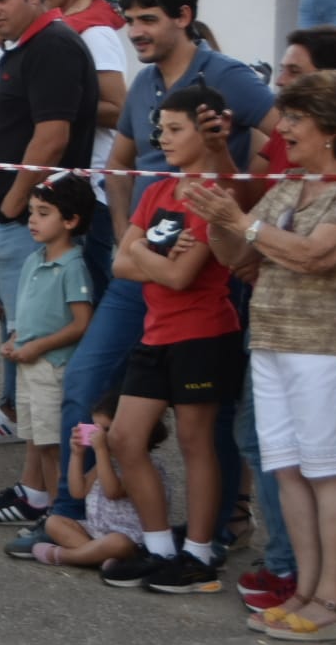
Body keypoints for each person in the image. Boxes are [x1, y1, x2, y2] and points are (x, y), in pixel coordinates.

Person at [15, 0, 278, 561]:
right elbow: (124, 162)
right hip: (147, 244)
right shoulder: (143, 85)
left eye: (148, 19)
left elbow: (284, 144)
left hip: (205, 259)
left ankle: (221, 527)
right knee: (85, 380)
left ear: (183, 17)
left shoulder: (227, 75)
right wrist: (128, 235)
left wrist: (236, 215)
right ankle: (74, 511)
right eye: (129, 20)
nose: (135, 31)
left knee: (207, 417)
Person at [186, 70, 336, 640]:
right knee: (287, 468)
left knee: (325, 471)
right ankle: (305, 591)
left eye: (296, 118)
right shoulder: (295, 182)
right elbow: (236, 254)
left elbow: (312, 257)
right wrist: (218, 217)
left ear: (332, 128)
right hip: (273, 341)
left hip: (329, 348)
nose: (284, 129)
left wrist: (240, 223)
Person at [96, 84, 244, 594]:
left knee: (194, 441)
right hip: (157, 334)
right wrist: (151, 257)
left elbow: (184, 278)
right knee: (123, 437)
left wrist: (143, 256)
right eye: (161, 129)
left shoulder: (213, 194)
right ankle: (159, 548)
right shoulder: (158, 189)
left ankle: (199, 553)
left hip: (203, 333)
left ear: (204, 134)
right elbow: (120, 262)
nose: (163, 138)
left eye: (175, 129)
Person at [0, 0, 99, 446]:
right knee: (19, 330)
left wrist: (13, 205)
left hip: (31, 222)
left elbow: (52, 137)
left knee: (37, 337)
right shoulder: (27, 47)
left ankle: (37, 449)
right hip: (18, 222)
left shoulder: (53, 45)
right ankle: (20, 421)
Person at [0, 173, 95, 524]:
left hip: (52, 367)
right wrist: (14, 339)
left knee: (53, 445)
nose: (32, 220)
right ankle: (47, 510)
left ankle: (59, 515)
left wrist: (37, 348)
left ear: (71, 221)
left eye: (44, 212)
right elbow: (27, 313)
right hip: (29, 364)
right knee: (37, 439)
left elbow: (82, 323)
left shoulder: (73, 267)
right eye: (32, 211)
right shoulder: (35, 259)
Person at [32, 0, 133, 291]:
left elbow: (119, 110)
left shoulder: (96, 34)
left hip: (93, 192)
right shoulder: (45, 35)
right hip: (56, 189)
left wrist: (53, 106)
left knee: (93, 292)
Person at [33, 392, 170, 569]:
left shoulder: (143, 467)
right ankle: (100, 558)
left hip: (130, 538)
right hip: (96, 531)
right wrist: (77, 454)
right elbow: (78, 492)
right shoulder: (105, 462)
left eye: (106, 430)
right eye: (96, 428)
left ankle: (65, 555)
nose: (99, 435)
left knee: (117, 543)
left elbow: (112, 492)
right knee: (54, 522)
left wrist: (100, 452)